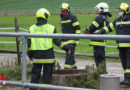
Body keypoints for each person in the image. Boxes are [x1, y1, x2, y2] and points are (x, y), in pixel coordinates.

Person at [27, 8, 71, 90]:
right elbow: (58, 42)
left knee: (35, 77)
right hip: (48, 58)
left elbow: (29, 45)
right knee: (47, 79)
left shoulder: (31, 28)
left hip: (37, 58)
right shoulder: (51, 28)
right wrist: (66, 48)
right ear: (46, 17)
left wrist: (30, 55)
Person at [94, 3, 130, 85]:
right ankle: (126, 79)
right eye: (119, 10)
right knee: (124, 63)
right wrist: (99, 31)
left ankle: (128, 79)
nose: (119, 12)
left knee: (129, 63)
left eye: (121, 10)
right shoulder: (117, 20)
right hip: (121, 46)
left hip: (129, 47)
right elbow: (108, 28)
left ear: (125, 11)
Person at [84, 2, 112, 71]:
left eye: (98, 9)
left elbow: (92, 27)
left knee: (99, 62)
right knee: (102, 61)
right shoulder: (106, 18)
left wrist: (86, 30)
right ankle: (103, 74)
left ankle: (101, 75)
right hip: (102, 43)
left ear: (101, 10)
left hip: (97, 43)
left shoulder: (99, 17)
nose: (97, 11)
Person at [60, 3, 81, 69]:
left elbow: (77, 28)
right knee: (70, 56)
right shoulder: (62, 19)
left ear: (67, 10)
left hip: (71, 41)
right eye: (61, 11)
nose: (62, 12)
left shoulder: (73, 17)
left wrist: (77, 38)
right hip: (65, 41)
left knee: (69, 56)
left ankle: (66, 70)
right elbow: (63, 30)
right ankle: (74, 68)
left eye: (63, 10)